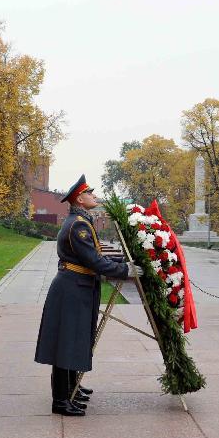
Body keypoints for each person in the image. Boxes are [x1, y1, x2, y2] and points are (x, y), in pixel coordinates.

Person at [34, 175, 142, 416]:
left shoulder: (81, 221)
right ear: (80, 199)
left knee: (74, 340)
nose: (94, 195)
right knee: (66, 343)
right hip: (72, 289)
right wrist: (125, 270)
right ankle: (61, 400)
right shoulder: (78, 226)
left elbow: (96, 255)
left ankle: (71, 389)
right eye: (89, 193)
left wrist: (122, 262)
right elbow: (94, 261)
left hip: (78, 287)